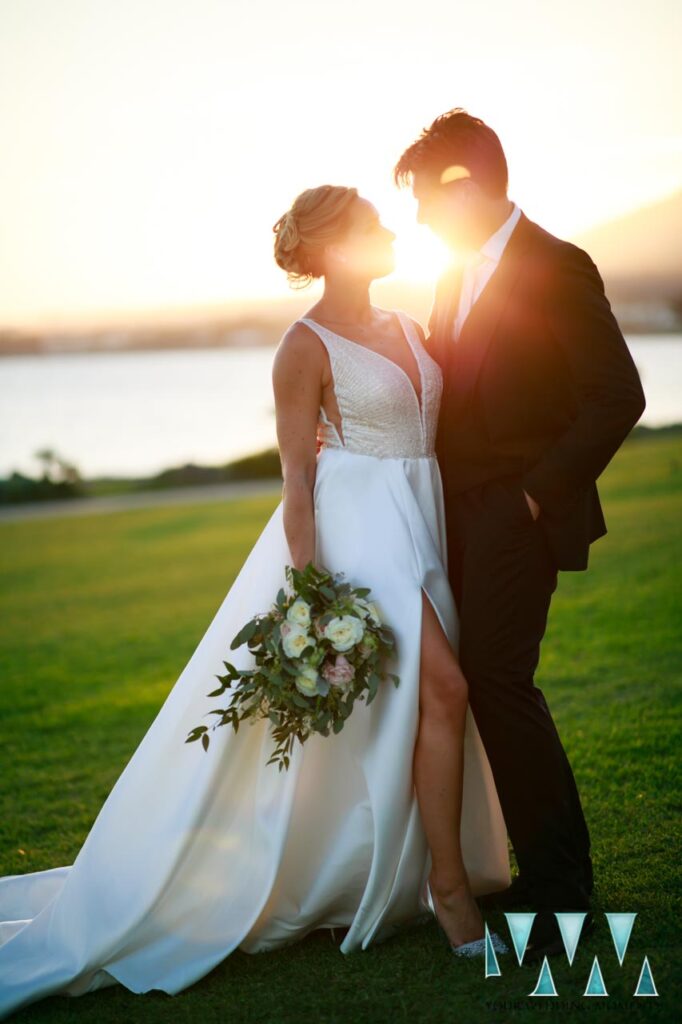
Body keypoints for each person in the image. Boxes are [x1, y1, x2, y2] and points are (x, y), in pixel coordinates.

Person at [0, 183, 511, 1019]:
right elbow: (297, 480)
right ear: (338, 247)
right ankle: (450, 893)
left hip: (421, 526)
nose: (389, 232)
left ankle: (415, 874)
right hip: (361, 538)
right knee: (447, 690)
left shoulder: (410, 326)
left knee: (428, 708)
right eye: (373, 225)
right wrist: (309, 594)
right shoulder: (301, 347)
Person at [392, 107, 647, 961]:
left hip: (515, 513)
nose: (420, 217)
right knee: (477, 689)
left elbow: (618, 395)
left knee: (499, 683)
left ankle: (562, 885)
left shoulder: (557, 265)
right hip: (451, 516)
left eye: (427, 197)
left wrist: (536, 501)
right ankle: (530, 869)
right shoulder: (453, 272)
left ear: (466, 186)